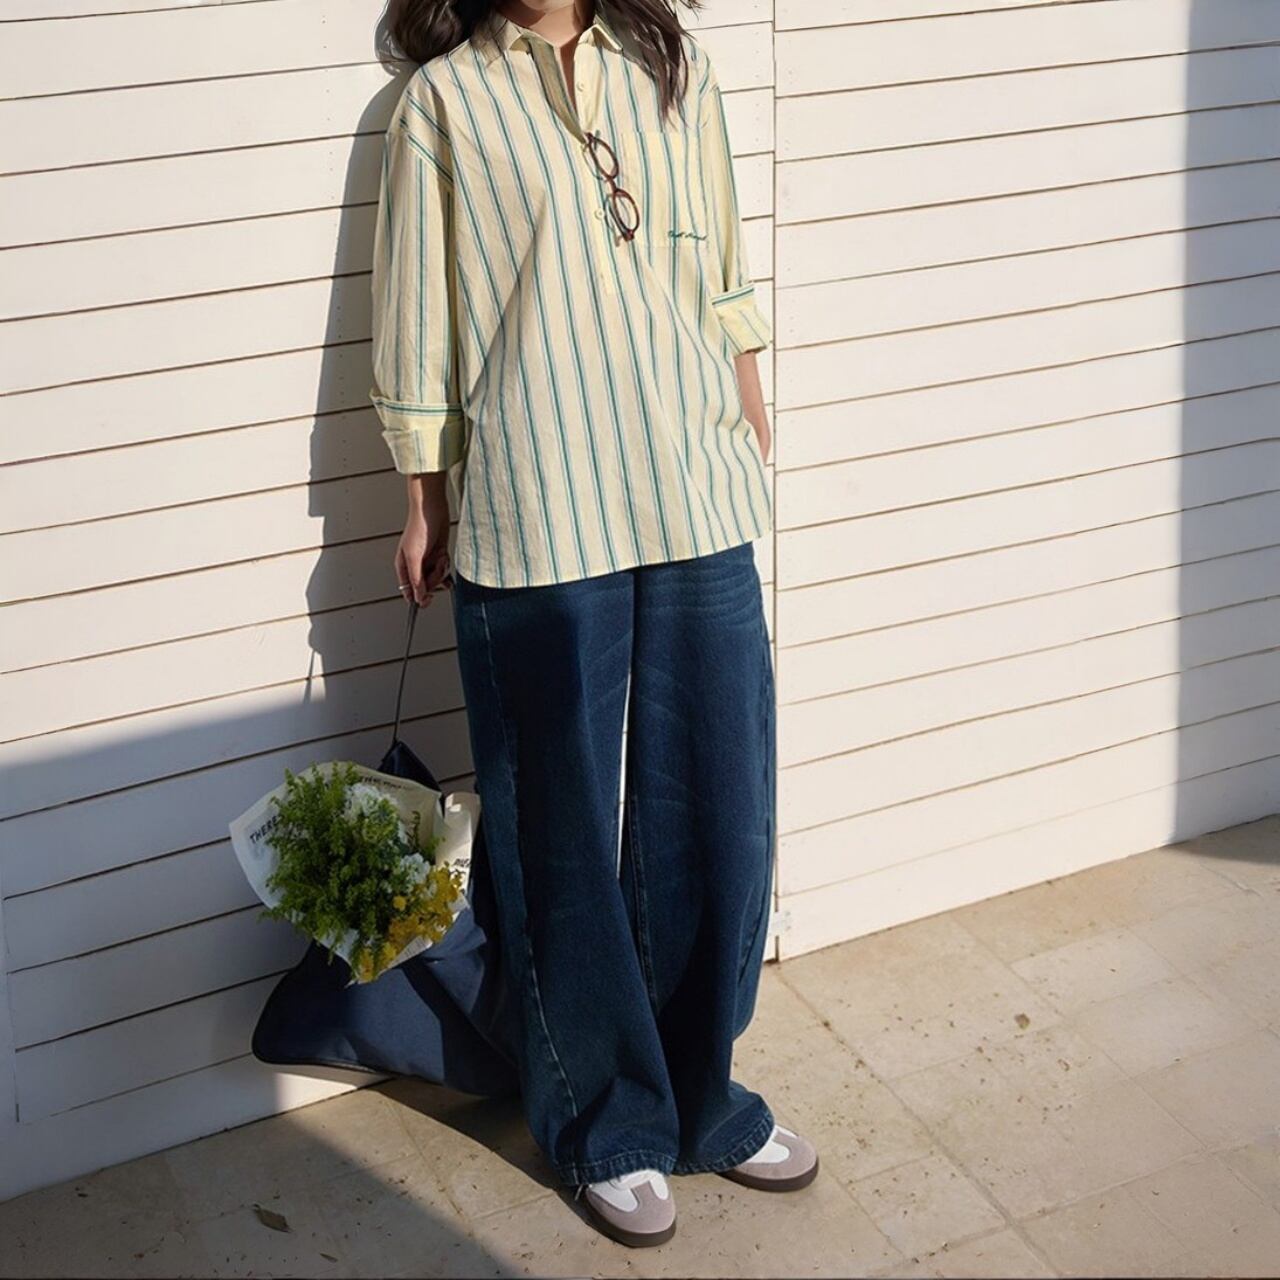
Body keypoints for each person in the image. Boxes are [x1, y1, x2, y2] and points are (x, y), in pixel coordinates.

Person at [368, 0, 818, 1247]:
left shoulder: (673, 68)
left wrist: (745, 403)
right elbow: (416, 317)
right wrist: (423, 495)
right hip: (536, 495)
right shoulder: (442, 104)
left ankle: (701, 1097)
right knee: (555, 818)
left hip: (690, 481)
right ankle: (604, 1119)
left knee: (719, 801)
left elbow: (718, 260)